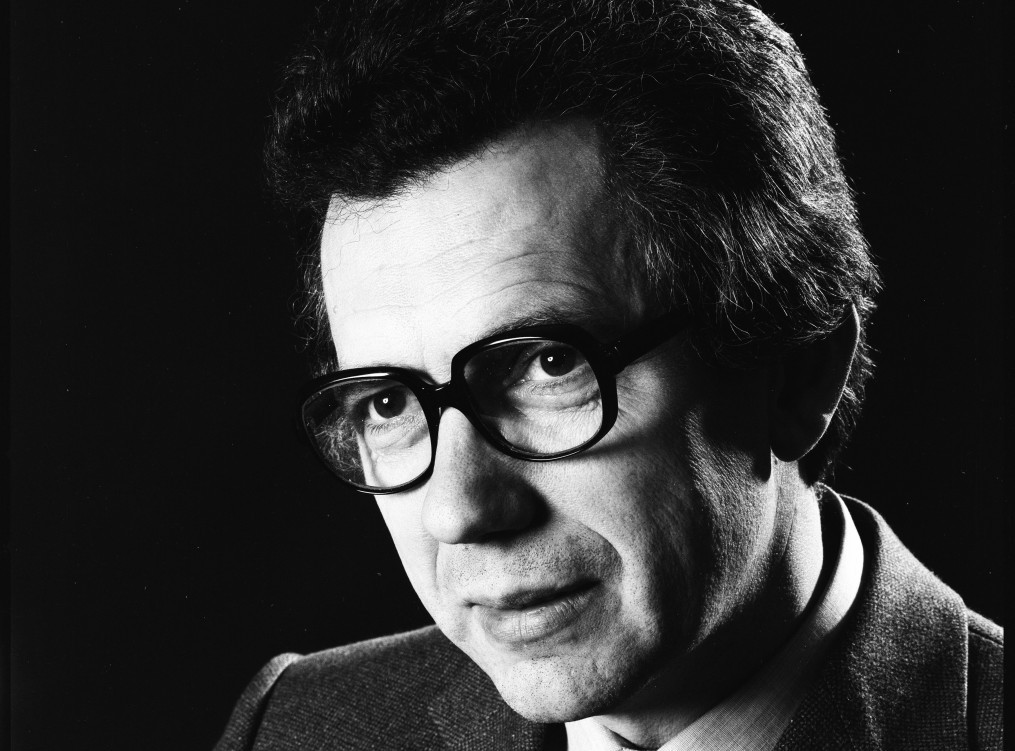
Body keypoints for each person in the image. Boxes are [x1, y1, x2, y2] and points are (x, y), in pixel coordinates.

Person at [215, 1, 1003, 748]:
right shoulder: (295, 727)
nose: (458, 511)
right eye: (388, 402)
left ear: (798, 370)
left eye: (547, 364)